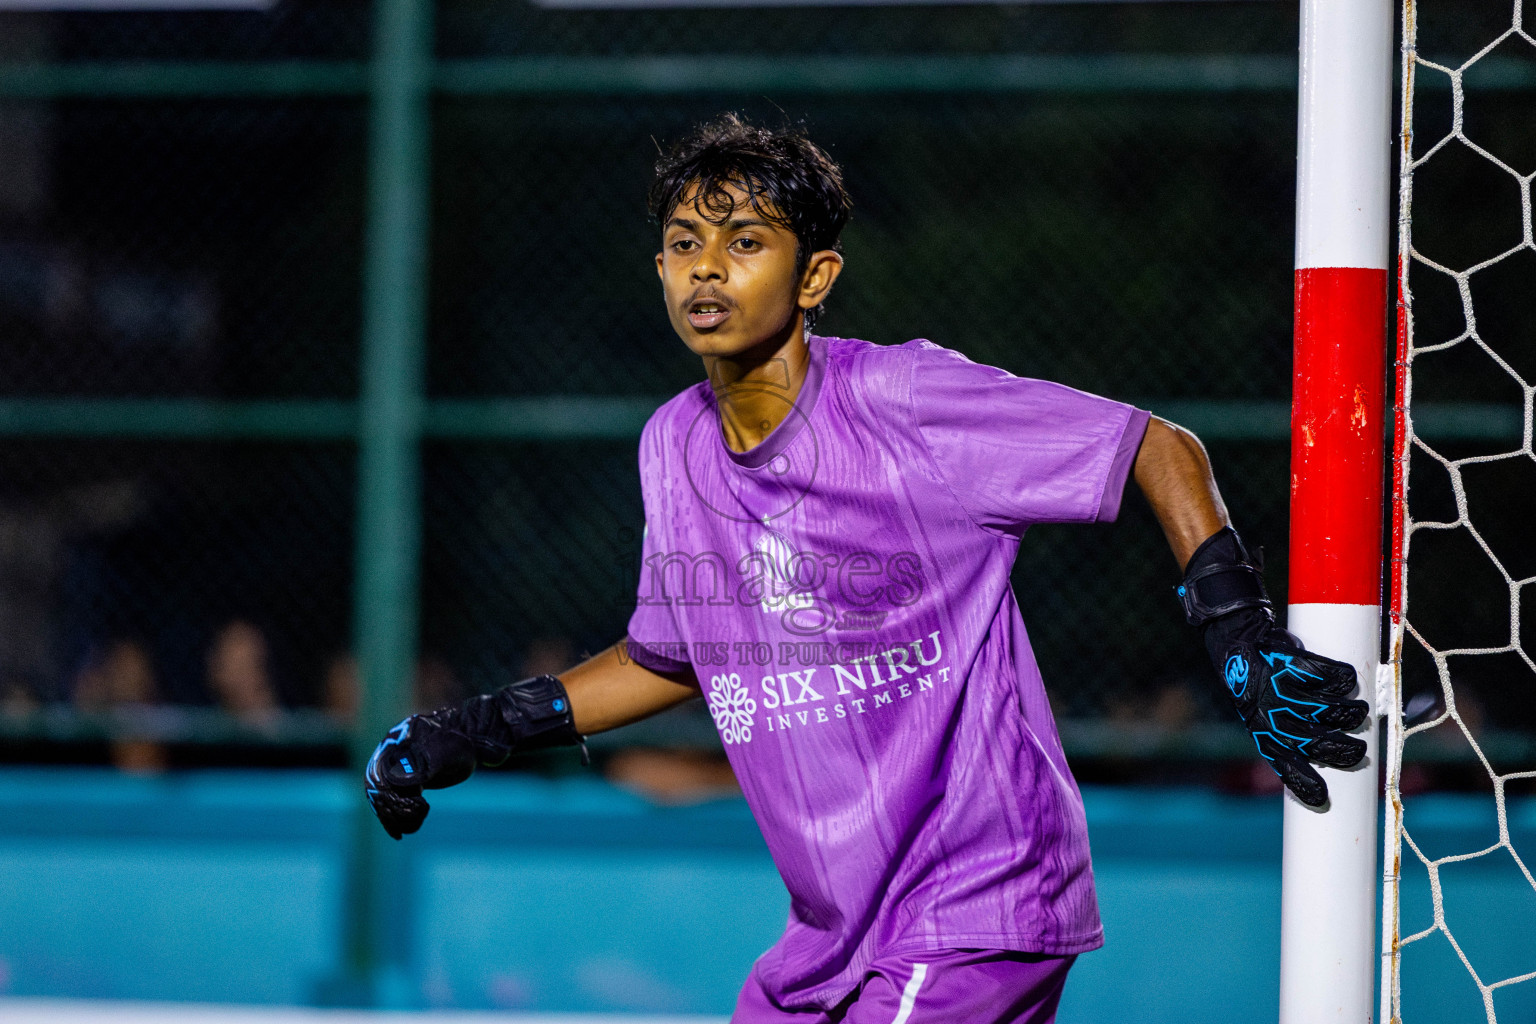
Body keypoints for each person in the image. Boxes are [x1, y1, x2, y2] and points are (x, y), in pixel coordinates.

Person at [364, 114, 1369, 1023]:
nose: (706, 268)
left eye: (744, 242)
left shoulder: (903, 401)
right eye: (684, 242)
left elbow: (1153, 445)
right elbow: (668, 657)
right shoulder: (671, 442)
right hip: (833, 932)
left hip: (979, 893)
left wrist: (1238, 631)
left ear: (814, 279)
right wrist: (478, 729)